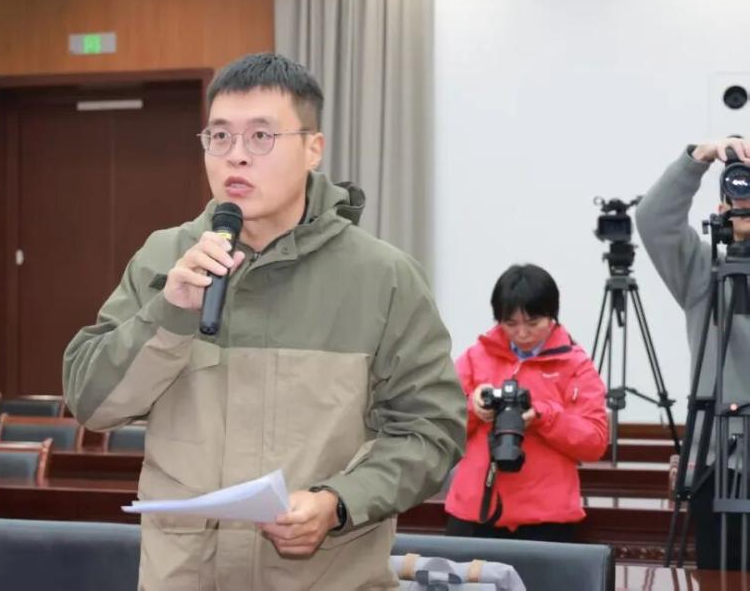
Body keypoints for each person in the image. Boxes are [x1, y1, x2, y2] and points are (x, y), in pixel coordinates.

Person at [63, 52, 466, 589]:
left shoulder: (383, 277)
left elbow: (431, 430)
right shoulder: (164, 257)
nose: (236, 156)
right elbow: (92, 404)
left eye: (260, 137)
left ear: (313, 148)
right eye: (220, 136)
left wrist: (338, 502)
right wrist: (169, 313)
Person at [636, 138, 750, 569]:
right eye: (741, 191)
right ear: (722, 210)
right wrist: (700, 156)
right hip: (719, 467)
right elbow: (653, 220)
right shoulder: (705, 273)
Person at [444, 264, 608, 542]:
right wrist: (473, 408)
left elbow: (595, 442)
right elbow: (442, 424)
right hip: (476, 511)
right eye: (510, 324)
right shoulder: (476, 357)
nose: (522, 333)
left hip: (546, 517)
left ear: (552, 316)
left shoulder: (574, 364)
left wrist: (544, 416)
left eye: (533, 324)